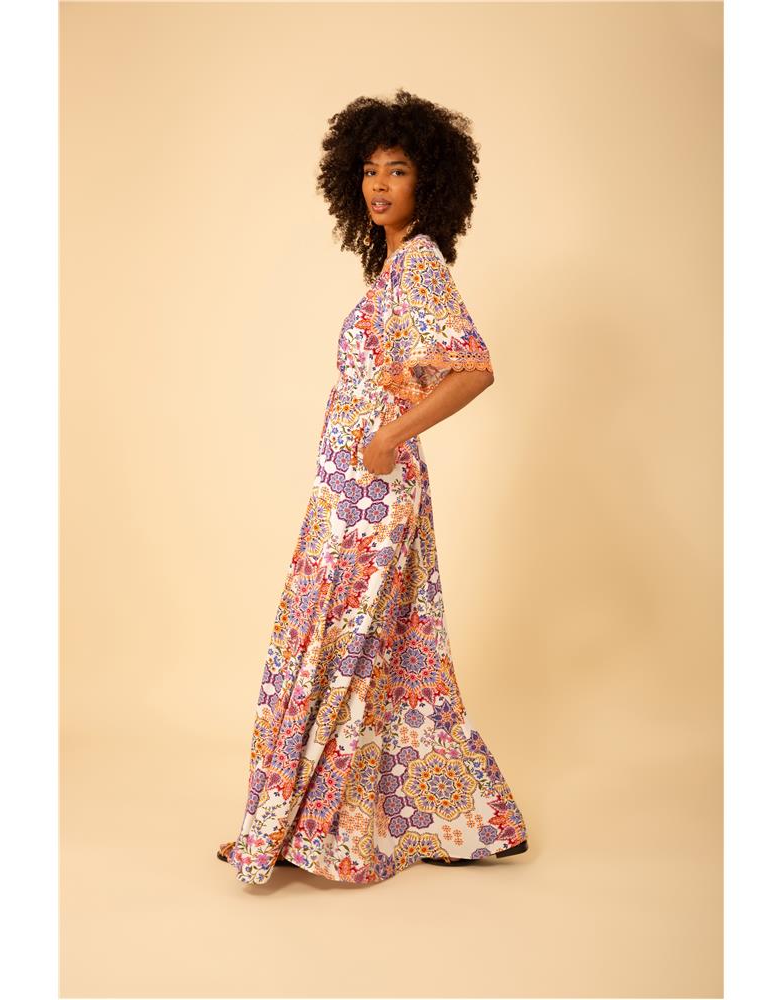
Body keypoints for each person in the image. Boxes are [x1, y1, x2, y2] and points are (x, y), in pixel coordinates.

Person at [217, 89, 528, 885]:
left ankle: (299, 825)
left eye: (398, 170)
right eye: (369, 170)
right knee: (389, 650)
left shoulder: (419, 264)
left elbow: (474, 369)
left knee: (347, 645)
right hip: (346, 492)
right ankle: (376, 820)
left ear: (431, 184)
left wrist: (390, 436)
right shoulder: (391, 270)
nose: (380, 184)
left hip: (373, 495)